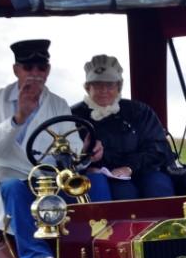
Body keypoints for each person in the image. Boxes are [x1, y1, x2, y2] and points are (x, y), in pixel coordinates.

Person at [0, 40, 109, 258]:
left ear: (48, 71)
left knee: (97, 182)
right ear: (16, 70)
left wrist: (86, 152)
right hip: (7, 175)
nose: (35, 74)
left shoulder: (57, 104)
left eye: (41, 68)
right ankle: (36, 256)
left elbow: (72, 147)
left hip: (49, 177)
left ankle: (99, 247)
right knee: (14, 188)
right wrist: (18, 118)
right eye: (29, 68)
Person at [71, 54, 177, 200]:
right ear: (87, 87)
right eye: (97, 84)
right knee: (123, 194)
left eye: (110, 85)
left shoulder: (139, 111)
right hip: (101, 177)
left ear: (119, 86)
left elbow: (158, 148)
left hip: (144, 170)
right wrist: (87, 164)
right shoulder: (73, 116)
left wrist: (129, 167)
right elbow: (67, 155)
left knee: (159, 189)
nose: (104, 90)